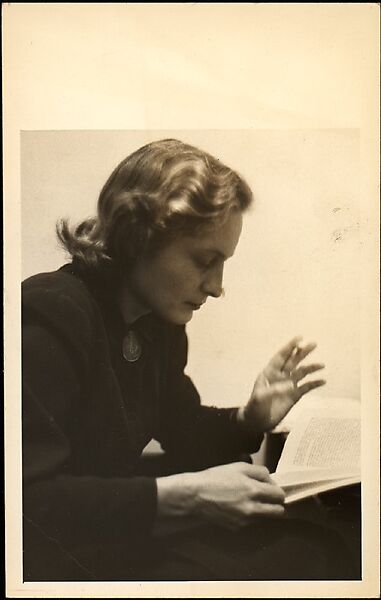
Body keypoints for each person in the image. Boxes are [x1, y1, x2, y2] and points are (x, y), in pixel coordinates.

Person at [22, 139, 357, 581]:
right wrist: (183, 497)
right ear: (138, 237)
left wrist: (249, 417)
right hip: (59, 565)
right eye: (205, 261)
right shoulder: (49, 313)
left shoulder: (157, 324)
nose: (217, 287)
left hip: (115, 534)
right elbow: (26, 503)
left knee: (326, 543)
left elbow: (181, 428)